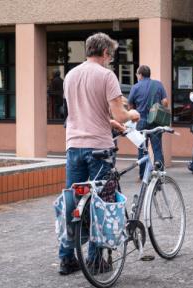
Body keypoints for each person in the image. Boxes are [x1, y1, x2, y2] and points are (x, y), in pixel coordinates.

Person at [58, 32, 140, 275]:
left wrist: (111, 122)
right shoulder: (106, 75)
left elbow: (83, 111)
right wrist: (132, 115)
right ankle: (95, 261)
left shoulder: (71, 75)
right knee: (100, 204)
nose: (110, 59)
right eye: (110, 55)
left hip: (73, 146)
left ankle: (66, 259)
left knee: (73, 203)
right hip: (99, 150)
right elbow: (121, 114)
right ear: (105, 52)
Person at [128, 65, 169, 179]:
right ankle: (160, 173)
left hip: (140, 121)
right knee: (157, 148)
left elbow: (130, 105)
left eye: (137, 74)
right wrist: (158, 108)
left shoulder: (135, 87)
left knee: (142, 149)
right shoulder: (158, 85)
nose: (137, 76)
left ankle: (143, 175)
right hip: (155, 121)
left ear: (140, 74)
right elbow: (165, 102)